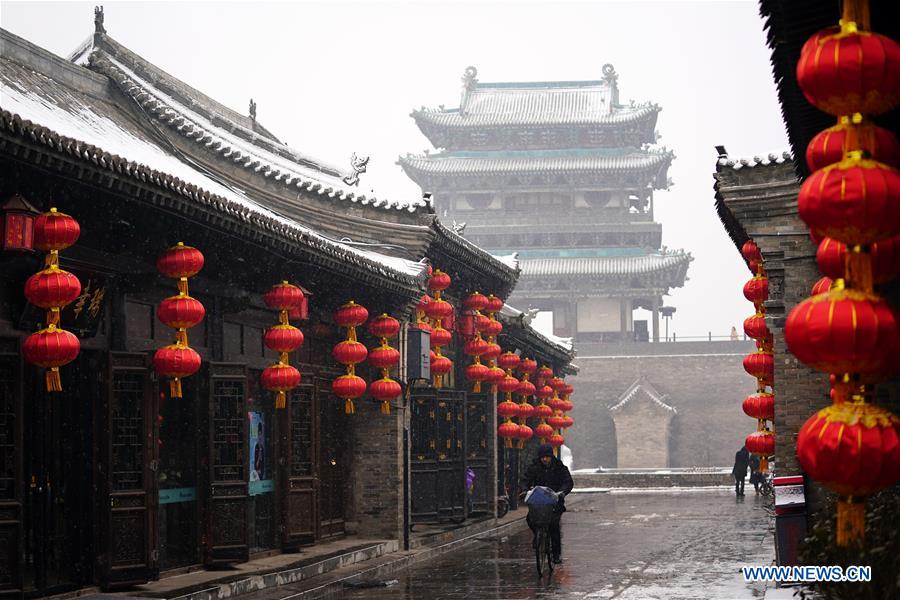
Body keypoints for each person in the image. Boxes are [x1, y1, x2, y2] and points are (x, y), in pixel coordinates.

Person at [522, 444, 574, 564]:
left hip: (555, 501)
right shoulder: (534, 467)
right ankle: (537, 536)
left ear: (551, 456)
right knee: (530, 519)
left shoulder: (560, 468)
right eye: (542, 457)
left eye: (547, 457)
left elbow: (568, 482)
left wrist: (562, 492)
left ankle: (556, 554)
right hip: (539, 501)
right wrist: (525, 490)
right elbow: (525, 479)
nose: (544, 459)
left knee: (554, 525)